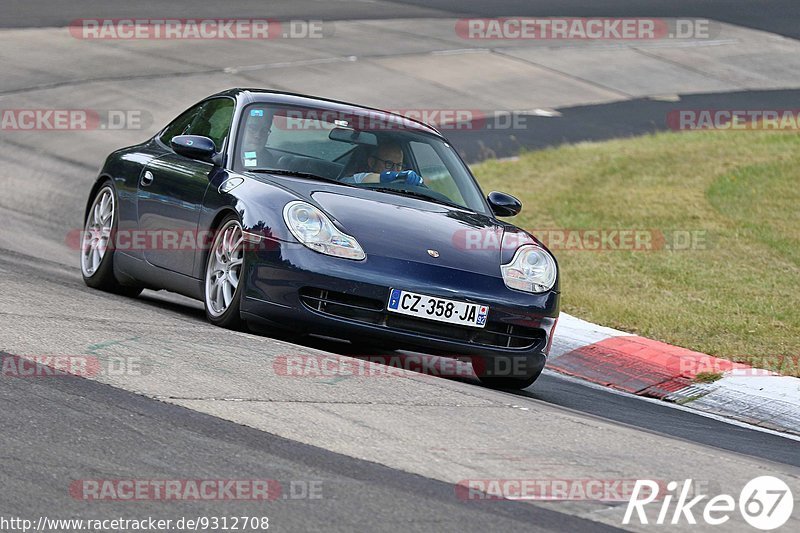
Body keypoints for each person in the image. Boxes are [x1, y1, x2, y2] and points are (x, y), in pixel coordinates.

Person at [343, 140, 423, 186]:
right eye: (389, 164)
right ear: (372, 162)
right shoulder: (354, 182)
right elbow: (352, 181)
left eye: (399, 165)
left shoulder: (404, 188)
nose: (394, 170)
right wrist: (389, 177)